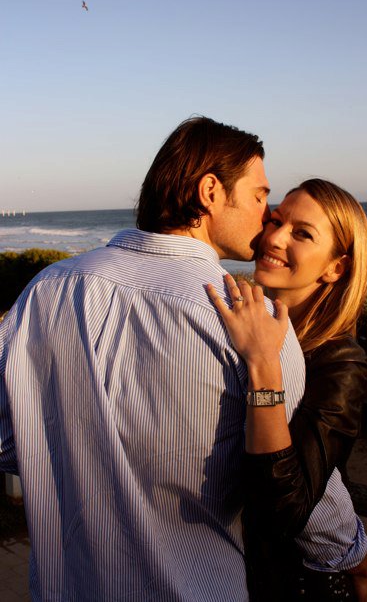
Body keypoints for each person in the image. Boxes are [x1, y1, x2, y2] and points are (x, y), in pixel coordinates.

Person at [0, 116, 308, 601]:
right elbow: (281, 477)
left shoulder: (48, 289)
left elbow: (7, 442)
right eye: (258, 195)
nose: (267, 215)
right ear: (211, 191)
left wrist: (77, 463)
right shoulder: (259, 327)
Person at [207, 179, 367, 601]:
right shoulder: (247, 322)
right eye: (276, 219)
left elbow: (287, 509)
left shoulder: (340, 361)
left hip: (303, 582)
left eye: (302, 233)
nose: (274, 238)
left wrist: (263, 364)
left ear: (336, 268)